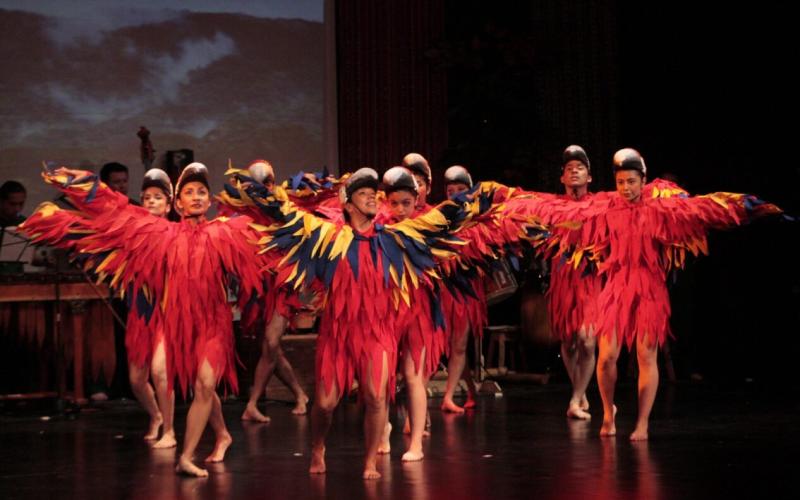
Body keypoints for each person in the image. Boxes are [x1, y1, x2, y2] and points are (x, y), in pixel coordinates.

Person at [21, 163, 265, 476]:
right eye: (189, 192)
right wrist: (77, 202)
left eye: (202, 191)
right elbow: (117, 215)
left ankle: (186, 456)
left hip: (213, 325)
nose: (196, 196)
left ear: (209, 199)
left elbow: (263, 233)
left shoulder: (223, 231)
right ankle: (216, 435)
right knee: (193, 383)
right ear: (177, 204)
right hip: (176, 322)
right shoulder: (164, 234)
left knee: (204, 384)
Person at [560, 148, 781, 440]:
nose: (626, 188)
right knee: (606, 357)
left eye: (632, 181)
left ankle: (642, 423)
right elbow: (565, 212)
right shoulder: (606, 207)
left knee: (645, 355)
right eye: (621, 182)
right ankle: (608, 413)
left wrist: (747, 207)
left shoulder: (660, 210)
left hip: (650, 288)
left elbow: (703, 208)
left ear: (643, 181)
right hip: (616, 287)